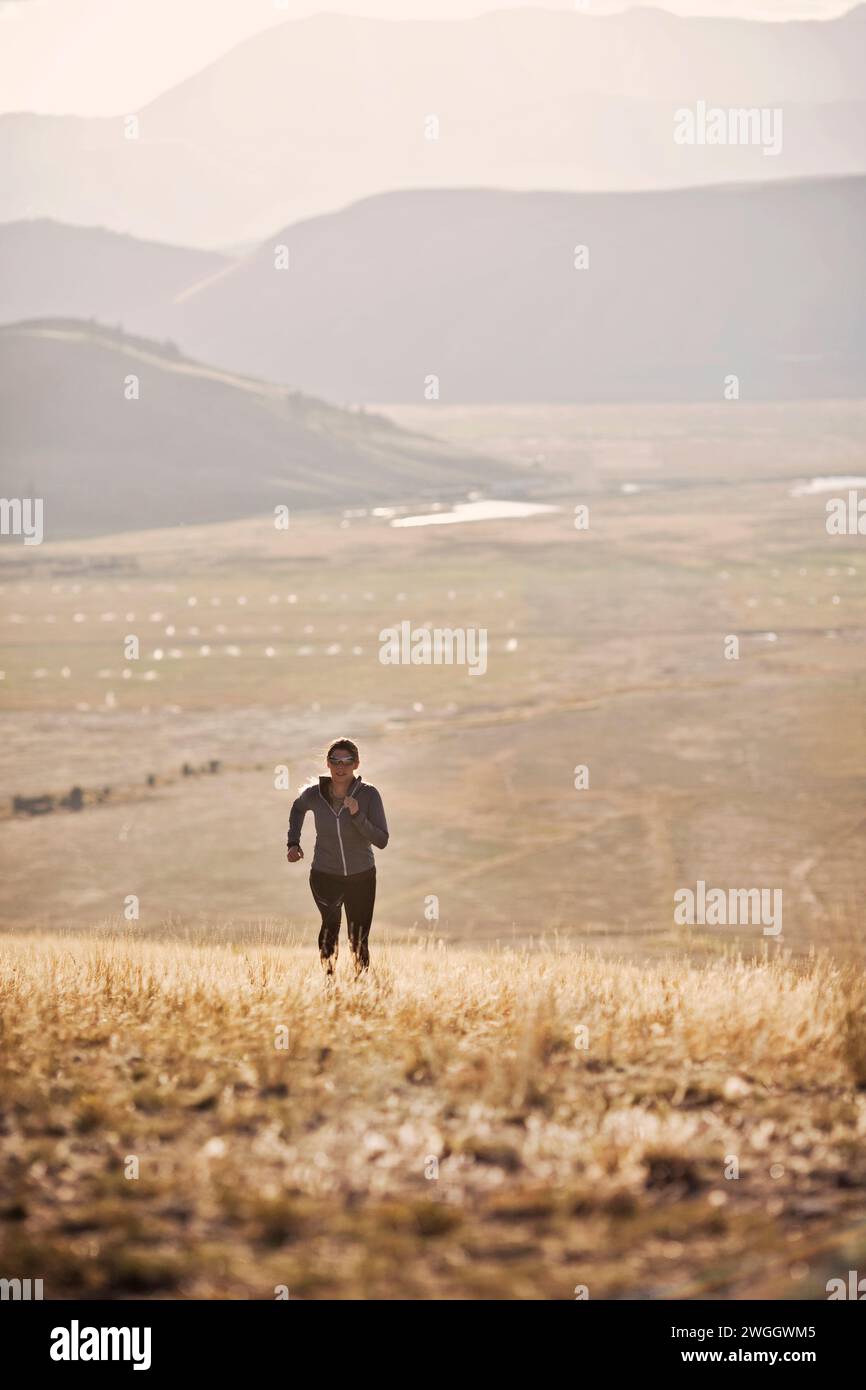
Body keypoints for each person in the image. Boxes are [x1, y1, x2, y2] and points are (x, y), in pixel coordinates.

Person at [286, 739, 389, 975]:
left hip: (362, 876)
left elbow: (382, 840)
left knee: (359, 937)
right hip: (324, 874)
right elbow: (297, 808)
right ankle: (329, 979)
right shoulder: (315, 795)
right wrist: (293, 842)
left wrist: (357, 815)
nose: (340, 767)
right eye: (335, 761)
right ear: (328, 763)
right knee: (330, 925)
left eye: (346, 762)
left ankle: (360, 983)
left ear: (356, 764)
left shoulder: (369, 795)